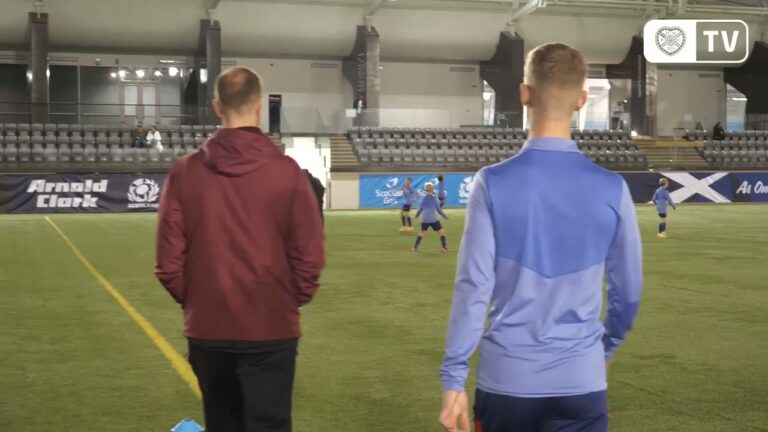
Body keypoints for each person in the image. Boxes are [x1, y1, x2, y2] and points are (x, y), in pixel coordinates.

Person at [438, 43, 643, 432]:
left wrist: (453, 376)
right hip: (581, 381)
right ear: (582, 100)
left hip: (507, 382)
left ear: (524, 93)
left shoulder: (491, 182)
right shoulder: (612, 188)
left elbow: (474, 288)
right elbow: (628, 295)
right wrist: (602, 352)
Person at [155, 66, 325, 432]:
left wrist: (202, 299)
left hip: (209, 327)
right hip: (271, 325)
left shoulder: (184, 172)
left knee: (222, 422)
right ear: (259, 107)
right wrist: (285, 301)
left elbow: (168, 262)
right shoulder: (288, 173)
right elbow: (310, 256)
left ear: (217, 106)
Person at [411, 182, 449, 253]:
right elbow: (439, 210)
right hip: (433, 219)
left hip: (425, 220)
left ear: (425, 190)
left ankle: (415, 248)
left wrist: (415, 217)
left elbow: (420, 210)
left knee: (422, 233)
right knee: (441, 232)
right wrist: (444, 216)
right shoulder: (434, 199)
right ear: (432, 190)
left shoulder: (422, 199)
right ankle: (444, 248)